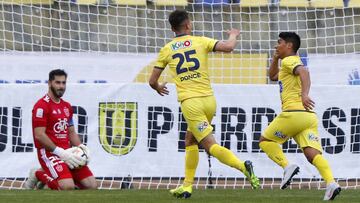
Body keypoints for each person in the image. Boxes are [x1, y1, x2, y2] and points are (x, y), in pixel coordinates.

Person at [149, 9, 260, 199]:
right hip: (209, 100)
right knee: (190, 139)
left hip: (191, 104)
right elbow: (228, 47)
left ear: (172, 28)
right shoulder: (201, 41)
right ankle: (187, 186)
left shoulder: (167, 49)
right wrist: (233, 35)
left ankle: (244, 167)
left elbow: (152, 81)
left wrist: (159, 87)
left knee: (210, 145)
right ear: (188, 25)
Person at [259, 32, 341, 201]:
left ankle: (287, 166)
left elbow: (304, 72)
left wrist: (304, 95)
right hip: (308, 117)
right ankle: (331, 183)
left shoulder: (290, 60)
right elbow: (273, 76)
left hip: (293, 113)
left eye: (279, 42)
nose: (276, 45)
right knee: (313, 155)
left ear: (289, 46)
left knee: (265, 141)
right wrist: (275, 58)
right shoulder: (286, 65)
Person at [24, 69, 97, 190]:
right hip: (49, 153)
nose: (61, 86)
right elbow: (39, 135)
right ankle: (38, 173)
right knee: (67, 187)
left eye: (64, 83)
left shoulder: (67, 106)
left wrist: (81, 147)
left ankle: (55, 179)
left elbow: (71, 132)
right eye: (57, 82)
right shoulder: (41, 106)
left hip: (68, 152)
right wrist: (60, 153)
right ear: (49, 83)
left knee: (92, 186)